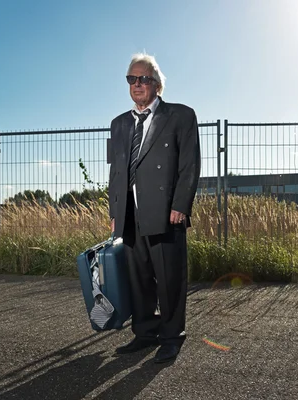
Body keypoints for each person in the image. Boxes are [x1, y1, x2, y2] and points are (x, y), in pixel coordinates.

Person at [108, 53, 201, 364]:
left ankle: (172, 337)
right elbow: (117, 171)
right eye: (131, 79)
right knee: (138, 278)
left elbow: (189, 166)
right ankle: (145, 333)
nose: (137, 84)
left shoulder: (181, 116)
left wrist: (180, 205)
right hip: (130, 214)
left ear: (157, 85)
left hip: (165, 212)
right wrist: (114, 212)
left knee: (170, 277)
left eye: (143, 79)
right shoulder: (119, 124)